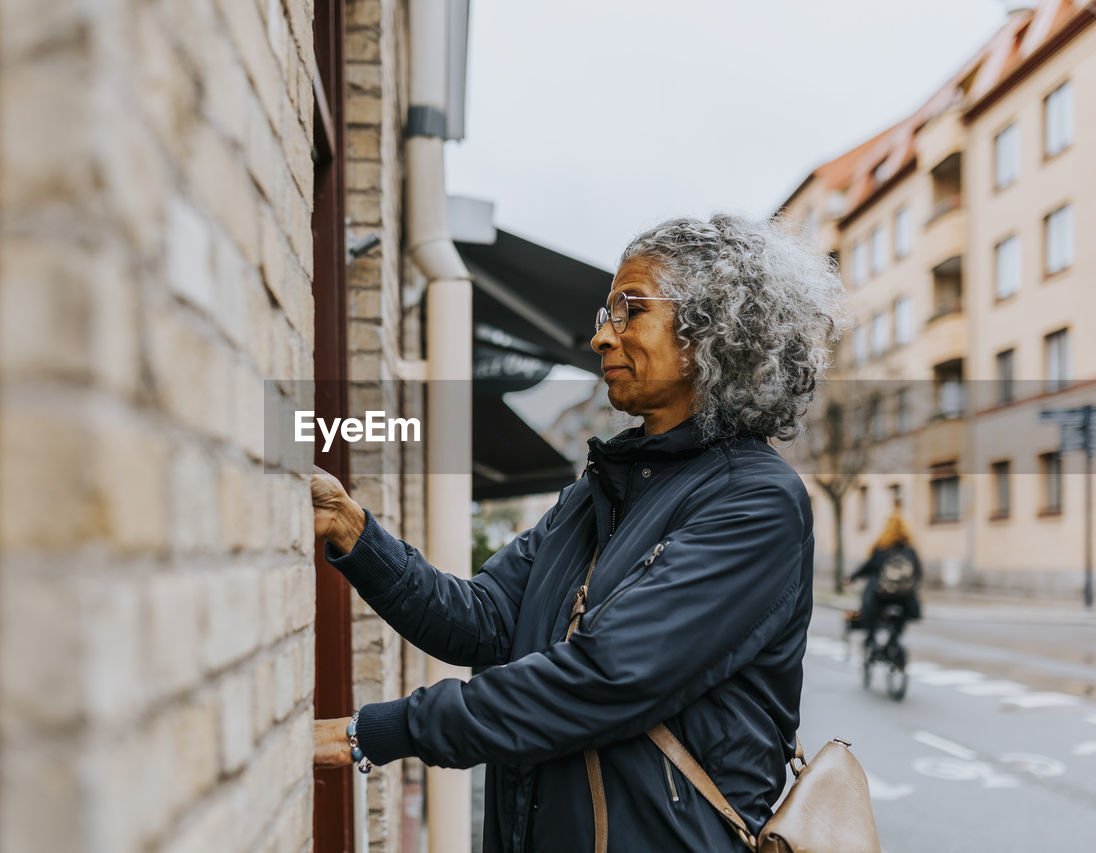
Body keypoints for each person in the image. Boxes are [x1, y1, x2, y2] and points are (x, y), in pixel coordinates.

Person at [311, 215, 849, 851]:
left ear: (713, 332)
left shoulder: (756, 501)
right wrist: (351, 531)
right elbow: (481, 620)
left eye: (629, 311)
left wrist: (371, 732)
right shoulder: (600, 490)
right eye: (606, 311)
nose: (600, 336)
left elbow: (604, 676)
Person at [850, 504, 923, 653]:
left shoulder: (881, 549)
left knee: (868, 602)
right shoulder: (910, 551)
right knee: (904, 610)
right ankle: (895, 640)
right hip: (904, 598)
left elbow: (868, 567)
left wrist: (852, 577)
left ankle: (870, 638)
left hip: (881, 596)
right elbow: (918, 573)